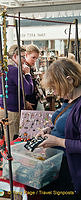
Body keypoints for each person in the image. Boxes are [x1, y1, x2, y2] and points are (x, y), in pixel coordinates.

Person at [36, 58, 81, 199]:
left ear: (70, 80)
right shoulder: (69, 99)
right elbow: (67, 124)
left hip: (71, 171)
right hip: (58, 166)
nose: (54, 93)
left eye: (55, 87)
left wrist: (58, 141)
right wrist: (50, 129)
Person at [0, 44, 34, 141]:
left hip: (5, 110)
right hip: (12, 112)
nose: (24, 60)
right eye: (22, 56)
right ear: (14, 56)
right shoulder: (13, 70)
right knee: (12, 142)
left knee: (7, 142)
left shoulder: (4, 68)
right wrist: (27, 74)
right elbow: (29, 90)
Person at [24, 44, 41, 110]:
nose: (35, 60)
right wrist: (25, 102)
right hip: (28, 103)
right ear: (26, 55)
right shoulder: (23, 69)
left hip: (34, 101)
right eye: (33, 57)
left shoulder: (32, 68)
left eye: (36, 58)